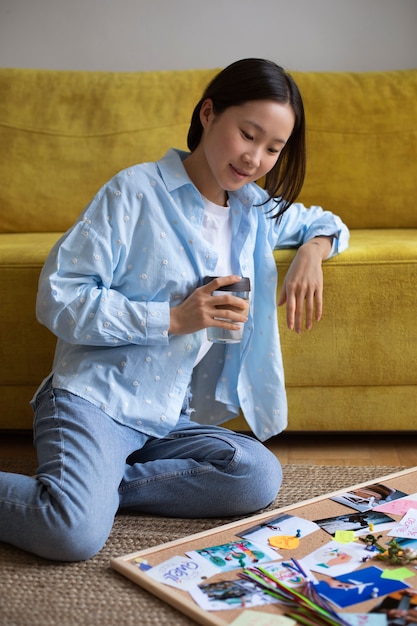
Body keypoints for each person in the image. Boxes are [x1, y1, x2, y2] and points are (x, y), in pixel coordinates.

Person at [0, 58, 349, 562]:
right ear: (209, 114)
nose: (255, 158)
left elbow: (327, 222)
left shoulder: (252, 211)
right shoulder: (134, 192)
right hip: (93, 399)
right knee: (70, 535)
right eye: (247, 135)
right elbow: (60, 297)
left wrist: (313, 251)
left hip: (164, 417)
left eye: (273, 148)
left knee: (255, 474)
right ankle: (80, 502)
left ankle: (95, 489)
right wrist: (174, 319)